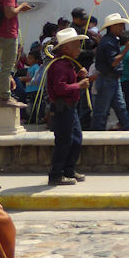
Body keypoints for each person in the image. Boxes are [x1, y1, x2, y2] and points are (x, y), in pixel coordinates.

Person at [45, 27, 90, 185]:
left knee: (76, 139)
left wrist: (78, 77)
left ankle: (69, 170)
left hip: (70, 108)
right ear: (66, 48)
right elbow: (60, 88)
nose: (79, 49)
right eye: (76, 45)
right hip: (63, 108)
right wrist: (79, 84)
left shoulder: (66, 64)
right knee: (64, 141)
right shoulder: (60, 66)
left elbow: (65, 84)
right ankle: (56, 174)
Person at [0, 0, 34, 109]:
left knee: (6, 65)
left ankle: (5, 96)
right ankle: (5, 97)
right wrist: (21, 7)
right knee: (7, 67)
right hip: (7, 34)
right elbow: (10, 13)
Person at [89, 12, 129, 131]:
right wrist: (126, 50)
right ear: (112, 27)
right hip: (107, 78)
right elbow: (113, 62)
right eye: (120, 25)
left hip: (112, 78)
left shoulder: (111, 40)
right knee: (102, 110)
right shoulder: (108, 42)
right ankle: (97, 133)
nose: (122, 28)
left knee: (120, 107)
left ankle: (127, 127)